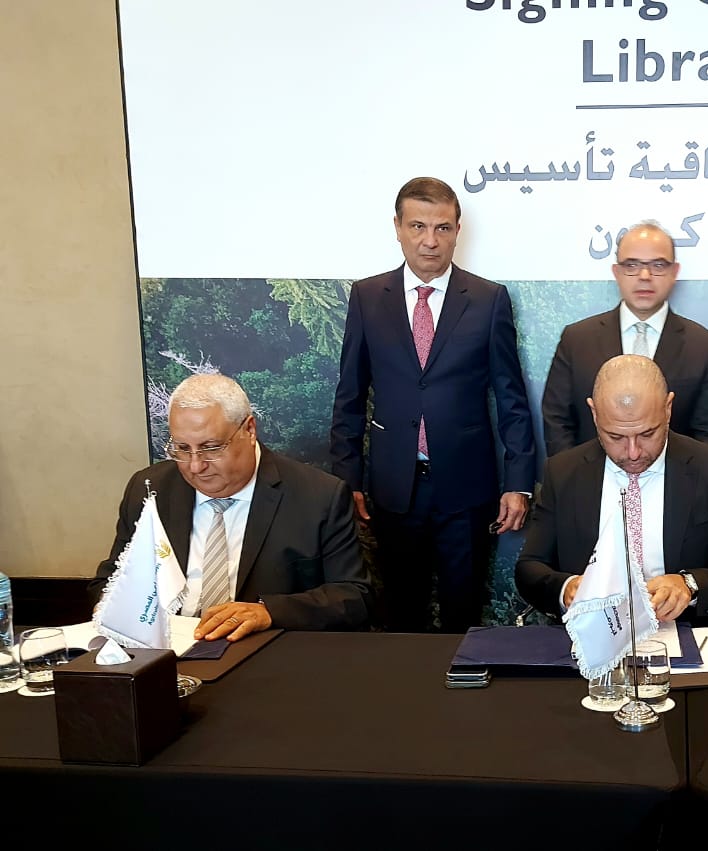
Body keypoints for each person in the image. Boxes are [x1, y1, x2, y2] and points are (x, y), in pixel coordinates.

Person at [330, 177, 536, 633]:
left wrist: (519, 482)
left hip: (467, 488)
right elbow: (350, 397)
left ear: (458, 230)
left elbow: (512, 399)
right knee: (403, 615)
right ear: (398, 227)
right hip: (393, 489)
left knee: (464, 614)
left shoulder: (488, 300)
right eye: (418, 226)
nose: (430, 241)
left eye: (442, 228)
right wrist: (348, 479)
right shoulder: (367, 297)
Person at [90, 374, 371, 640]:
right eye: (182, 449)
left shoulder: (318, 496)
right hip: (165, 651)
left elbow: (353, 596)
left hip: (266, 654)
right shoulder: (150, 488)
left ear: (249, 430)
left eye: (211, 448)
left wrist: (268, 612)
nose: (195, 466)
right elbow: (109, 583)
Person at [517, 355, 708, 624]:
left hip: (689, 633)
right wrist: (566, 588)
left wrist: (690, 585)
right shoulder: (563, 473)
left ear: (668, 408)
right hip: (592, 635)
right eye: (616, 437)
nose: (633, 452)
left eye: (647, 434)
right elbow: (529, 568)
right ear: (594, 413)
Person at [541, 221, 708, 458]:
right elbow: (557, 422)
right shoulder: (577, 340)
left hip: (677, 479)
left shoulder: (703, 346)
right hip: (590, 477)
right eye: (632, 265)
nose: (644, 276)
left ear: (674, 272)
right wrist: (577, 477)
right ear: (617, 272)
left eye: (658, 265)